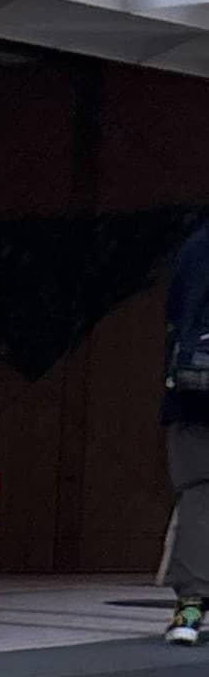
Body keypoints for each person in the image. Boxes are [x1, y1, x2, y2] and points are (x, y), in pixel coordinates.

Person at [161, 220, 209, 645]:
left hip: (194, 394)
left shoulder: (195, 246)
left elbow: (177, 312)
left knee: (198, 495)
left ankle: (190, 607)